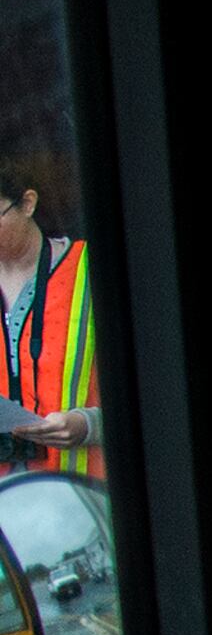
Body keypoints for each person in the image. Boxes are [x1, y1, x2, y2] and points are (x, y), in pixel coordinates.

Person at [2, 156, 104, 476]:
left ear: (28, 203)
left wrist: (88, 425)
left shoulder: (94, 270)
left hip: (86, 504)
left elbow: (159, 388)